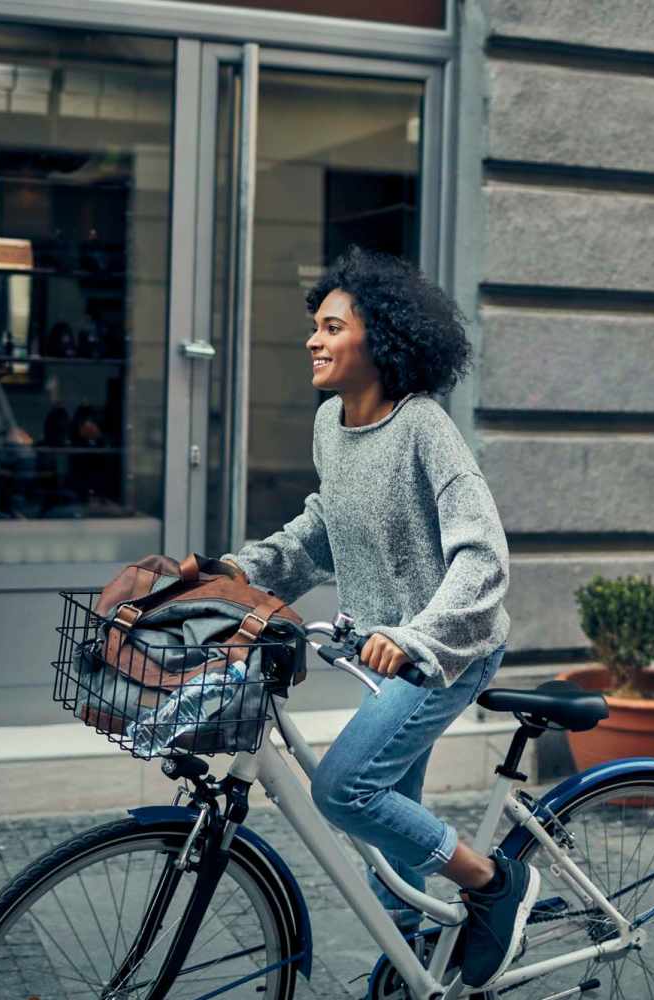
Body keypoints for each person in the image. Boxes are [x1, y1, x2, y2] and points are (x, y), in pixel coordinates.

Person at [220, 245, 539, 989]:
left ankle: (495, 885)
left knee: (345, 791)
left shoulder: (426, 429)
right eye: (316, 326)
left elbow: (483, 558)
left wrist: (417, 635)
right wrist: (238, 571)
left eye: (333, 326)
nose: (314, 339)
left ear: (383, 340)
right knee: (392, 813)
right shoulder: (331, 424)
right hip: (385, 654)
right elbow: (324, 530)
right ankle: (408, 968)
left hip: (449, 649)